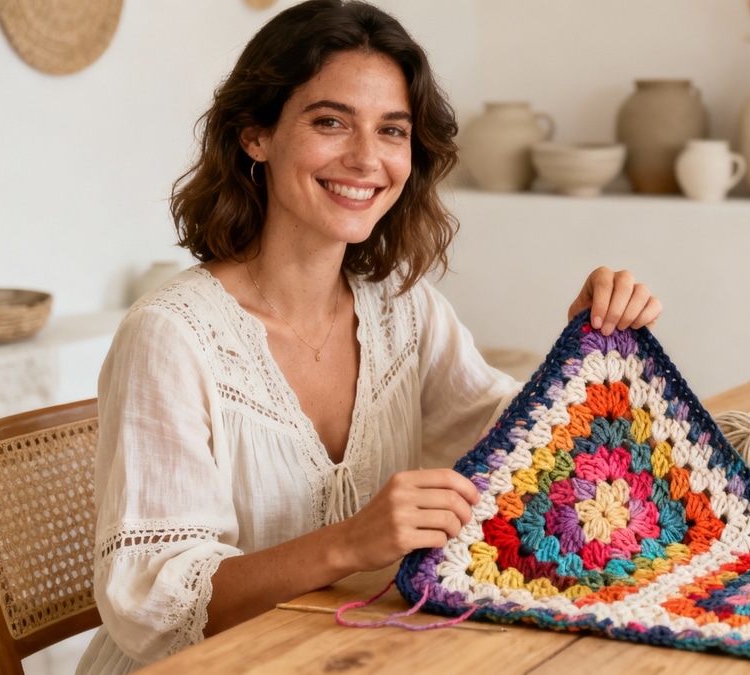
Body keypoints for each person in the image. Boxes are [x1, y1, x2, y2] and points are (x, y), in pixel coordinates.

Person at [76, 1, 661, 672]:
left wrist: (589, 349)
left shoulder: (404, 313)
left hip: (352, 655)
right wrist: (351, 542)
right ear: (254, 135)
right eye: (330, 122)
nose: (365, 158)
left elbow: (528, 454)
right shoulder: (170, 335)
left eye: (392, 130)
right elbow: (154, 605)